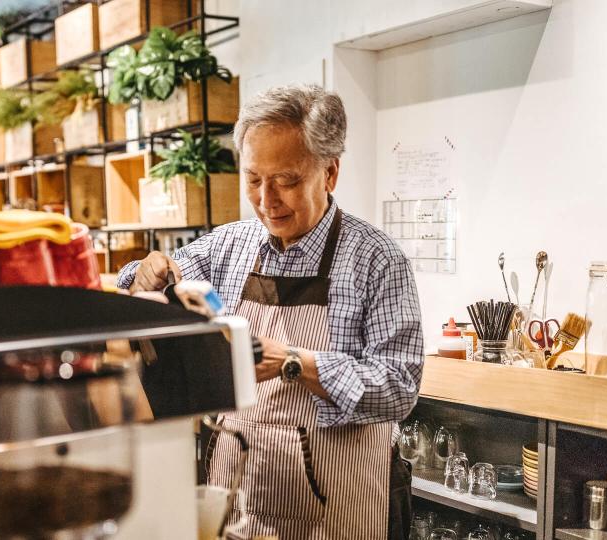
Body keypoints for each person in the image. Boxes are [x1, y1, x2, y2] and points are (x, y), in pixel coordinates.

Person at [117, 84, 423, 539]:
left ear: (330, 173)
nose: (266, 199)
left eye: (287, 180)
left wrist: (295, 363)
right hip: (236, 499)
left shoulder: (377, 260)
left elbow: (399, 387)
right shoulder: (231, 245)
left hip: (335, 510)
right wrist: (145, 273)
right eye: (254, 179)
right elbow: (136, 279)